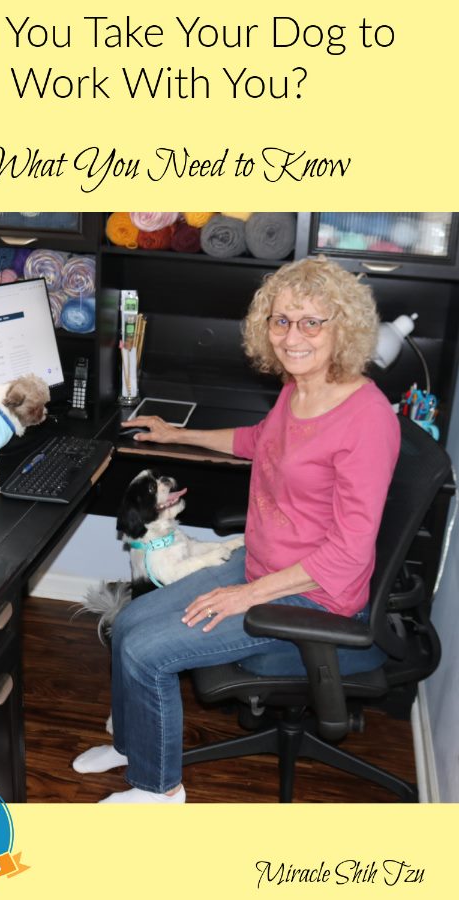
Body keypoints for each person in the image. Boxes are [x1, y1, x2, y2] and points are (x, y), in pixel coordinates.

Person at [73, 256, 400, 803]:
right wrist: (177, 435)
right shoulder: (302, 390)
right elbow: (257, 442)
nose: (292, 336)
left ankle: (159, 791)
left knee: (149, 653)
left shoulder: (366, 420)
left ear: (343, 328)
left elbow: (346, 554)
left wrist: (244, 596)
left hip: (309, 598)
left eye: (311, 322)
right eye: (281, 320)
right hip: (259, 565)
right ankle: (135, 745)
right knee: (129, 623)